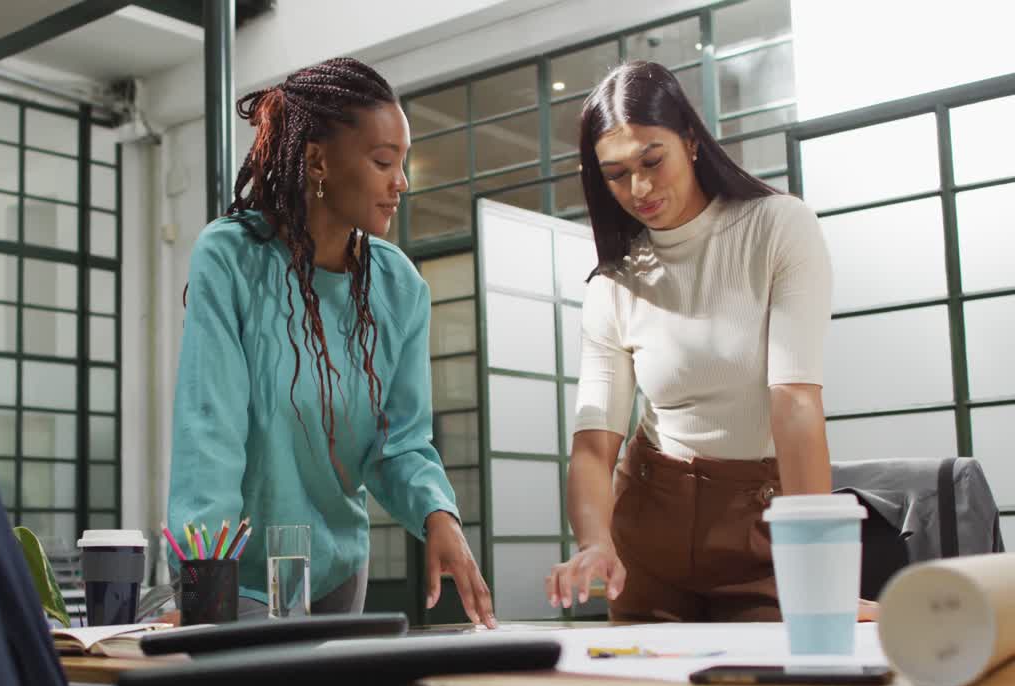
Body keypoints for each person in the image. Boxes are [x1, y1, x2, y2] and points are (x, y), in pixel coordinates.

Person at [168, 57, 496, 627]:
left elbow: (400, 444)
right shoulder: (232, 258)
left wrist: (439, 516)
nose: (402, 182)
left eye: (403, 164)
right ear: (318, 160)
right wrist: (202, 588)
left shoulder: (399, 288)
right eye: (383, 162)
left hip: (337, 572)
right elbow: (209, 432)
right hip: (234, 574)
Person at [544, 60, 838, 622]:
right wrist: (595, 543)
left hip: (759, 529)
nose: (640, 188)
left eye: (653, 161)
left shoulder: (778, 227)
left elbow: (796, 404)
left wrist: (815, 563)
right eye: (616, 174)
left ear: (691, 141)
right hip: (649, 533)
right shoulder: (615, 281)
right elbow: (594, 445)